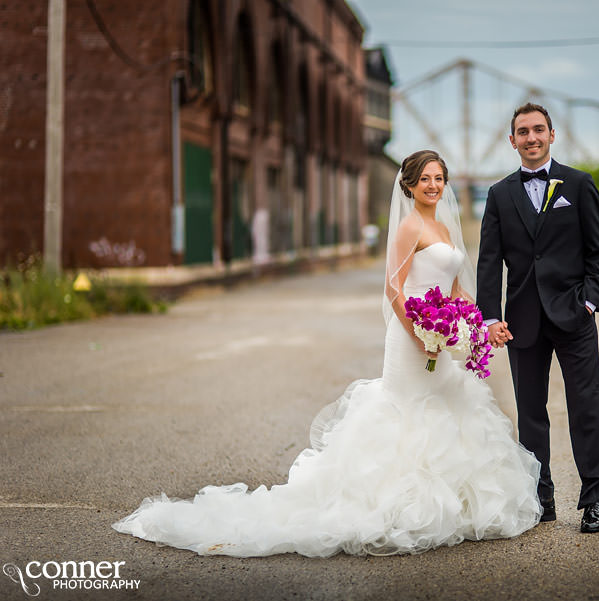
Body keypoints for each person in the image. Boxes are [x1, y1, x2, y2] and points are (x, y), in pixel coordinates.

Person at [112, 150, 542, 557]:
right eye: (425, 179)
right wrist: (418, 333)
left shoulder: (445, 230)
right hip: (412, 337)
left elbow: (453, 289)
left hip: (440, 335)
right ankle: (398, 508)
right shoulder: (410, 227)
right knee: (405, 413)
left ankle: (452, 508)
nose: (433, 185)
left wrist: (479, 324)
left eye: (438, 179)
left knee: (447, 411)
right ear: (409, 186)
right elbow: (394, 287)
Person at [476, 103, 599, 533]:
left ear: (552, 135)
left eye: (539, 130)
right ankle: (541, 498)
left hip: (574, 316)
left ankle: (594, 499)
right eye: (523, 131)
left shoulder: (579, 183)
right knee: (531, 412)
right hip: (522, 321)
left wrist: (590, 302)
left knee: (586, 407)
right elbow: (489, 261)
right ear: (511, 139)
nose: (531, 137)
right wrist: (489, 318)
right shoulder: (499, 195)